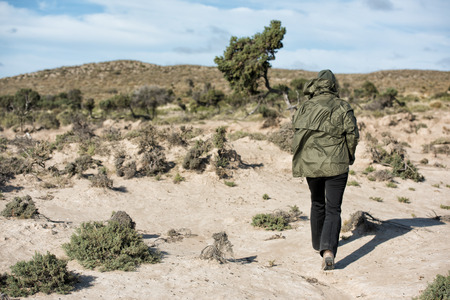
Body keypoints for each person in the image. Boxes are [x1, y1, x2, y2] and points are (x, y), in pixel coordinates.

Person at [291, 69, 359, 270]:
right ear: (333, 85)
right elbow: (352, 135)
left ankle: (317, 244)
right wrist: (349, 155)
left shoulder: (304, 107)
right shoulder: (343, 106)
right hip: (337, 163)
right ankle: (328, 250)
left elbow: (297, 133)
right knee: (333, 208)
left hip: (311, 163)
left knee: (317, 201)